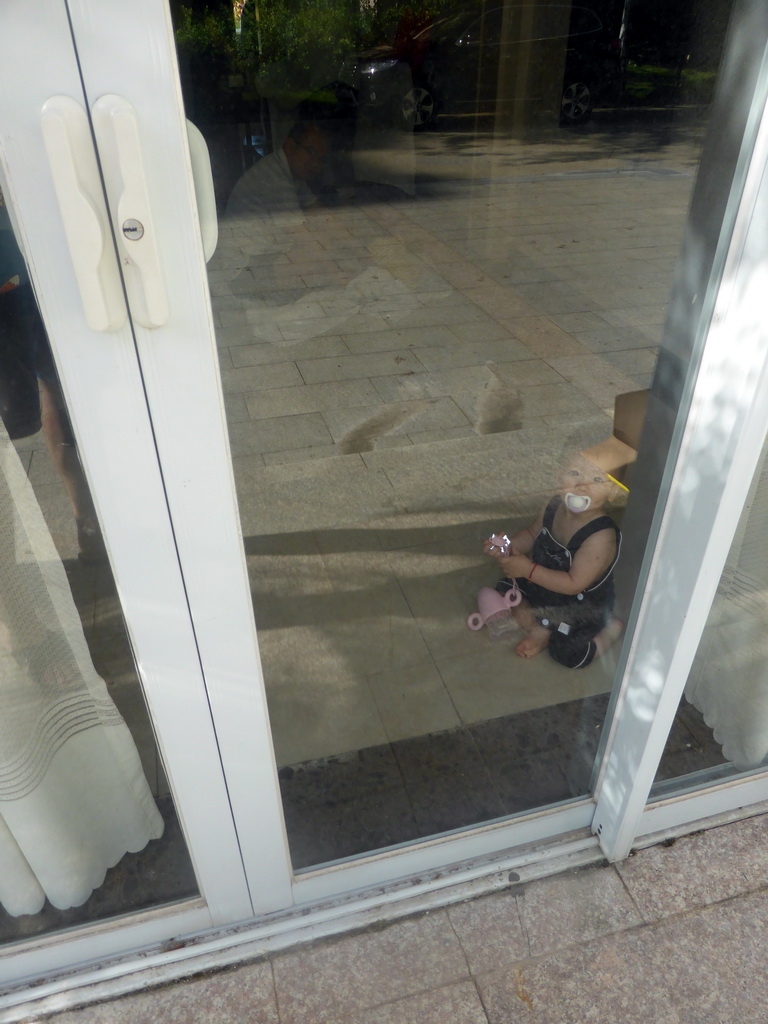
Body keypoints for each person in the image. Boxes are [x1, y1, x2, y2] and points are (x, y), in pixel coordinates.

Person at [481, 452, 625, 667]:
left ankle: (611, 628)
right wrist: (508, 547)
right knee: (507, 589)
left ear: (612, 492)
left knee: (568, 652)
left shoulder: (601, 536)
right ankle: (541, 629)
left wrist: (527, 570)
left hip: (578, 602)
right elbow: (531, 534)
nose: (581, 485)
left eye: (596, 479)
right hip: (543, 585)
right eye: (574, 473)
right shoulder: (553, 505)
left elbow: (573, 584)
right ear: (558, 477)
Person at [225, 120, 330, 219]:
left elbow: (316, 210)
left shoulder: (292, 171)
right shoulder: (275, 179)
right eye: (311, 152)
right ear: (290, 146)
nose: (316, 164)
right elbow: (298, 233)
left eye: (321, 159)